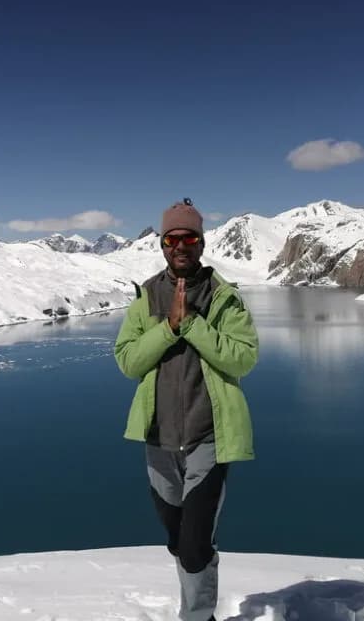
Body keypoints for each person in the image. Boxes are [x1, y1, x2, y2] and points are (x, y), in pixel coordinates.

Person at [114, 198, 258, 621]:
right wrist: (169, 327)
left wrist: (193, 324)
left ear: (201, 242)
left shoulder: (223, 298)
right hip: (158, 442)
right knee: (180, 541)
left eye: (188, 237)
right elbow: (128, 361)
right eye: (172, 238)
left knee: (195, 546)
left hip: (207, 440)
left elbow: (242, 359)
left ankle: (198, 617)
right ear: (162, 244)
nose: (180, 245)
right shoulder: (147, 297)